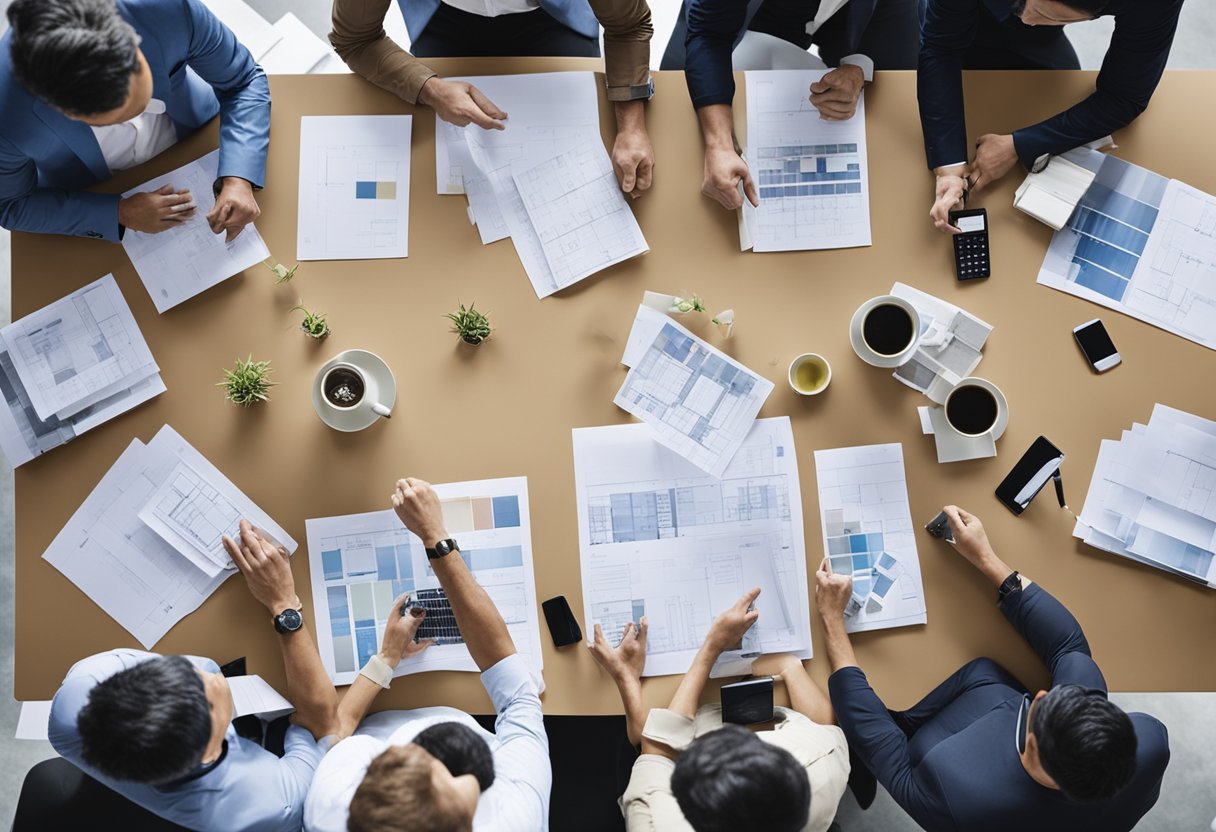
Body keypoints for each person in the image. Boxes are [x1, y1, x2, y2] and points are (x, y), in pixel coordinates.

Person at [818, 505, 1171, 832]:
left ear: (1032, 747)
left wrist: (833, 619)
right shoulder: (1150, 739)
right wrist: (986, 558)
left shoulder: (963, 805)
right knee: (981, 670)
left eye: (1039, 706)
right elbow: (1069, 647)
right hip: (987, 703)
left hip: (939, 757)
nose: (1044, 693)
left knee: (885, 728)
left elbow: (889, 757)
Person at [47, 520, 341, 832]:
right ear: (212, 751)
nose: (214, 677)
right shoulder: (274, 801)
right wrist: (283, 603)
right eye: (212, 706)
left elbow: (208, 670)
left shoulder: (78, 694)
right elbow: (321, 728)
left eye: (190, 676)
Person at [303, 477, 551, 832]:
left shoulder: (331, 806)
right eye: (469, 788)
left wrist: (386, 658)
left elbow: (334, 734)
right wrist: (436, 537)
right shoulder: (516, 814)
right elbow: (517, 694)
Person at [0, 0, 270, 242]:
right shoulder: (7, 115)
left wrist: (238, 176)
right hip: (99, 186)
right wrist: (119, 212)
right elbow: (9, 204)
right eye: (115, 117)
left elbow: (243, 80)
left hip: (199, 138)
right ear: (65, 111)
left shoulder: (170, 8)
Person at [330, 0, 657, 198]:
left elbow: (628, 26)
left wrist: (632, 127)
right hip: (446, 19)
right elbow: (355, 38)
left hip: (551, 16)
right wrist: (430, 88)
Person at [590, 587, 850, 832]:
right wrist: (788, 666)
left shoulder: (656, 819)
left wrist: (711, 647)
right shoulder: (818, 774)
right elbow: (823, 726)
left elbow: (656, 750)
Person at [921, 0, 1186, 233]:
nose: (1027, 20)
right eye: (1026, 6)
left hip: (1042, 43)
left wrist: (1019, 145)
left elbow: (1124, 97)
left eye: (1050, 14)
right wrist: (949, 168)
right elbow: (941, 49)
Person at [677, 0, 919, 210]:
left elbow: (894, 39)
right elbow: (709, 34)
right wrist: (718, 145)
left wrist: (858, 70)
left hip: (807, 43)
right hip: (714, 54)